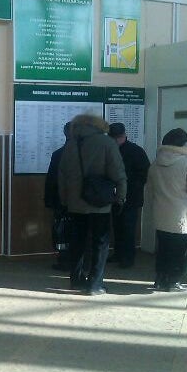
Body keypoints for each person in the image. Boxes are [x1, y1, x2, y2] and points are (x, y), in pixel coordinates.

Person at [58, 114, 127, 296]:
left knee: (77, 242)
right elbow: (118, 173)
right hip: (100, 202)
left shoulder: (71, 144)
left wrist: (65, 200)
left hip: (75, 203)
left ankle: (76, 280)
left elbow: (62, 175)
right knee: (100, 243)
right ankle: (95, 284)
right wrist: (120, 197)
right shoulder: (107, 143)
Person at [146, 128, 187, 292]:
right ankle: (173, 282)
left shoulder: (154, 165)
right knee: (179, 251)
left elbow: (150, 191)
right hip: (182, 218)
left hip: (161, 216)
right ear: (183, 145)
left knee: (163, 249)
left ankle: (160, 279)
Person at [108, 122, 150, 268]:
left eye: (116, 138)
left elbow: (144, 174)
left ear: (123, 136)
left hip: (131, 197)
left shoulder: (136, 151)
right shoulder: (110, 150)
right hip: (114, 196)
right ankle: (118, 253)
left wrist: (127, 184)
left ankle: (128, 258)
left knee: (128, 229)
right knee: (117, 227)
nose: (114, 141)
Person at [44, 122, 71, 271]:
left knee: (62, 232)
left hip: (61, 201)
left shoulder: (58, 154)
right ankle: (82, 262)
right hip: (83, 202)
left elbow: (51, 180)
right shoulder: (88, 153)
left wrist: (49, 200)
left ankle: (64, 261)